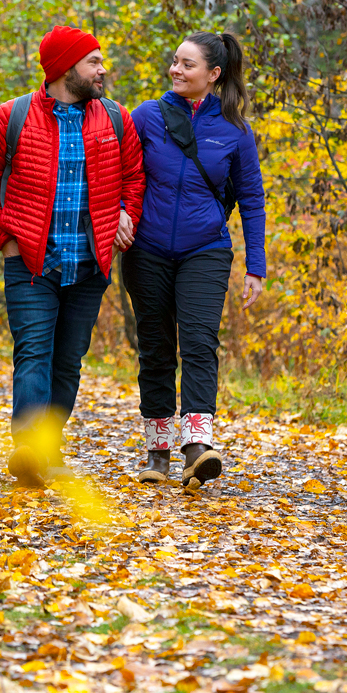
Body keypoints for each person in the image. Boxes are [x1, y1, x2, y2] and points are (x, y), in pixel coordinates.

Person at [0, 26, 146, 487]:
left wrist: (127, 214)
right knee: (33, 353)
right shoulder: (12, 116)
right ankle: (28, 448)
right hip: (30, 262)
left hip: (90, 265)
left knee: (67, 361)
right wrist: (3, 237)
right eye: (93, 62)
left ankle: (48, 447)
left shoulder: (115, 118)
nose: (102, 70)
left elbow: (134, 177)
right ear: (66, 69)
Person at [123, 31, 266, 489]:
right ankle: (158, 451)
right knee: (156, 346)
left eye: (187, 65)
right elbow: (120, 174)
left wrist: (256, 266)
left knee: (200, 342)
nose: (176, 70)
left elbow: (252, 200)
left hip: (205, 248)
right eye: (175, 62)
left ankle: (197, 447)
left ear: (213, 75)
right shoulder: (146, 116)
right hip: (146, 250)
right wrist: (119, 219)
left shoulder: (236, 132)